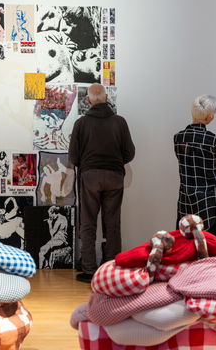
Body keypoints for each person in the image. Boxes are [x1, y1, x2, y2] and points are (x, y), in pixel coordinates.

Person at [69, 83, 135, 283]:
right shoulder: (120, 122)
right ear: (106, 98)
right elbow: (130, 153)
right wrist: (115, 163)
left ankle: (89, 269)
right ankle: (111, 268)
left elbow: (73, 156)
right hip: (115, 177)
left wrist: (88, 166)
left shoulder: (81, 124)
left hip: (90, 177)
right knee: (112, 223)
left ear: (88, 101)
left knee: (88, 222)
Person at [173, 95, 216, 240]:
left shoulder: (178, 138)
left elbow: (183, 162)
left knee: (187, 246)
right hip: (212, 203)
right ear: (209, 116)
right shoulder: (213, 140)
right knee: (212, 245)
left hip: (187, 202)